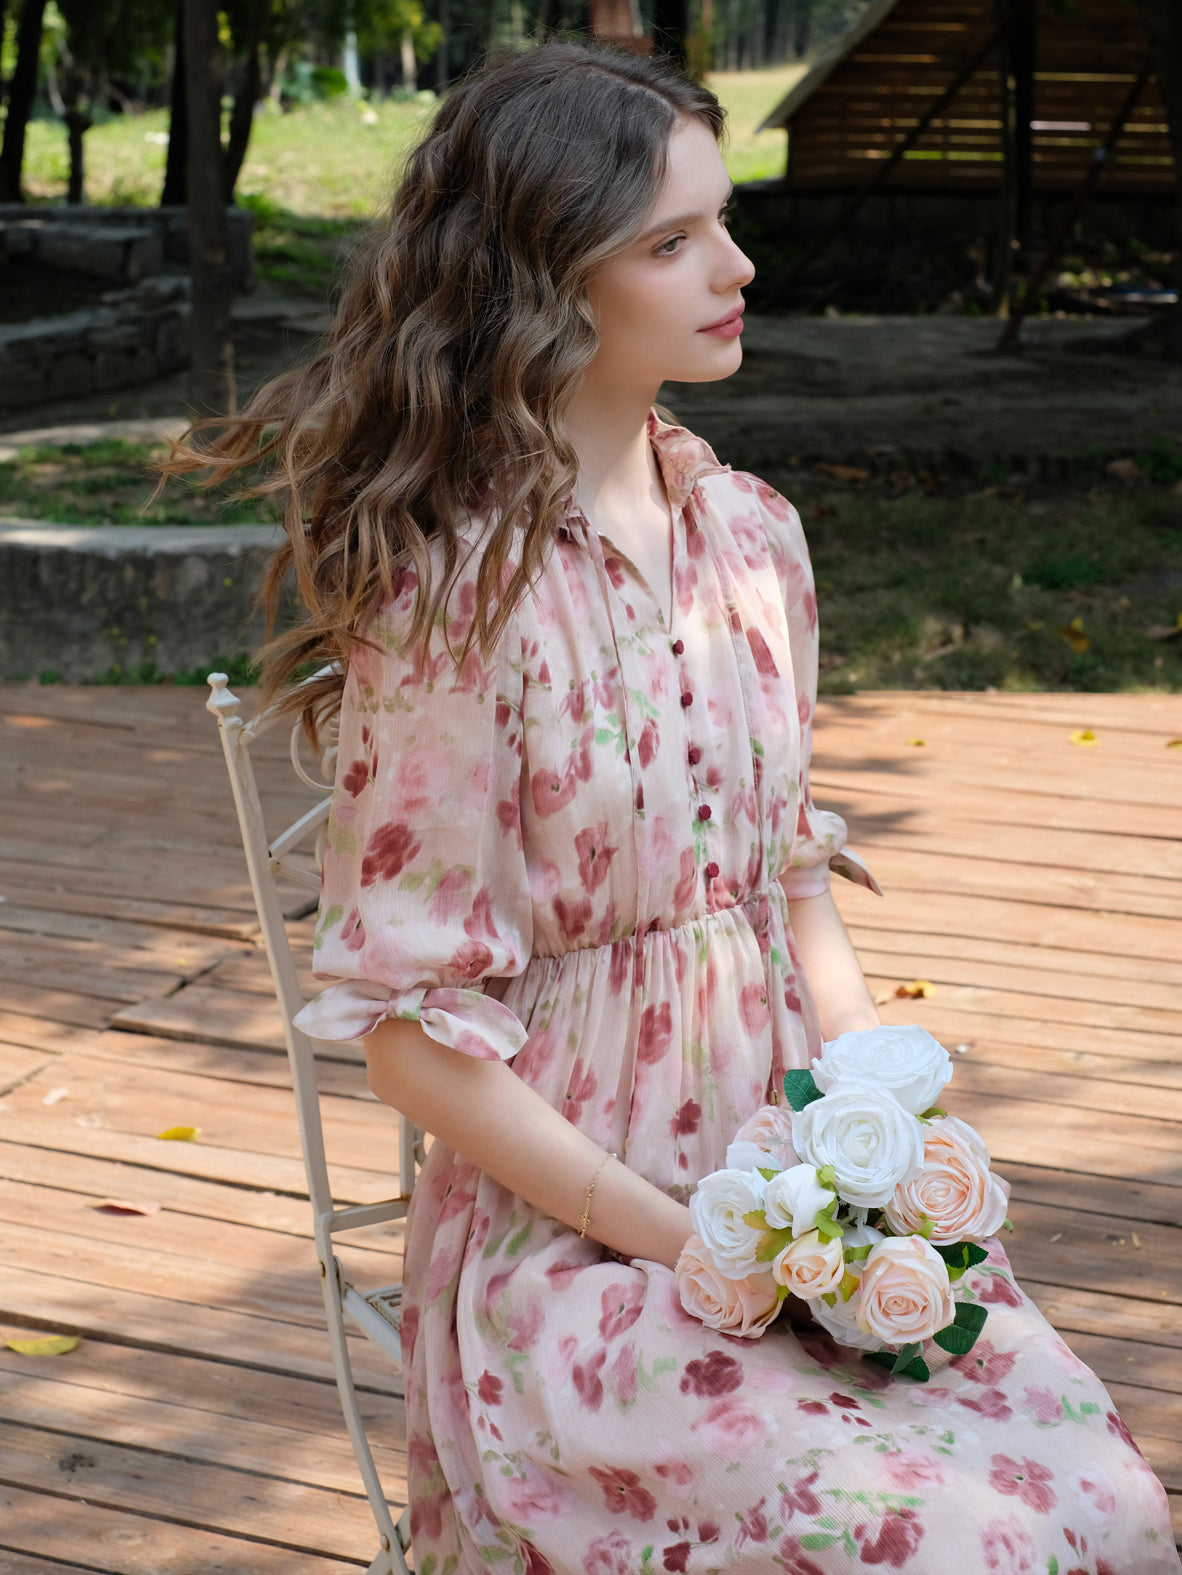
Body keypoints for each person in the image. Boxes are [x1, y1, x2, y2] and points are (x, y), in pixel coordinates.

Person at [173, 40, 1179, 1575]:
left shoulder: (754, 540)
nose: (738, 263)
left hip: (792, 1174)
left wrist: (883, 1141)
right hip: (579, 1237)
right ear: (540, 283)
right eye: (672, 240)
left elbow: (789, 887)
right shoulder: (453, 596)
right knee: (934, 1542)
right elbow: (408, 1032)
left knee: (1106, 1504)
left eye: (718, 220)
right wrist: (697, 1245)